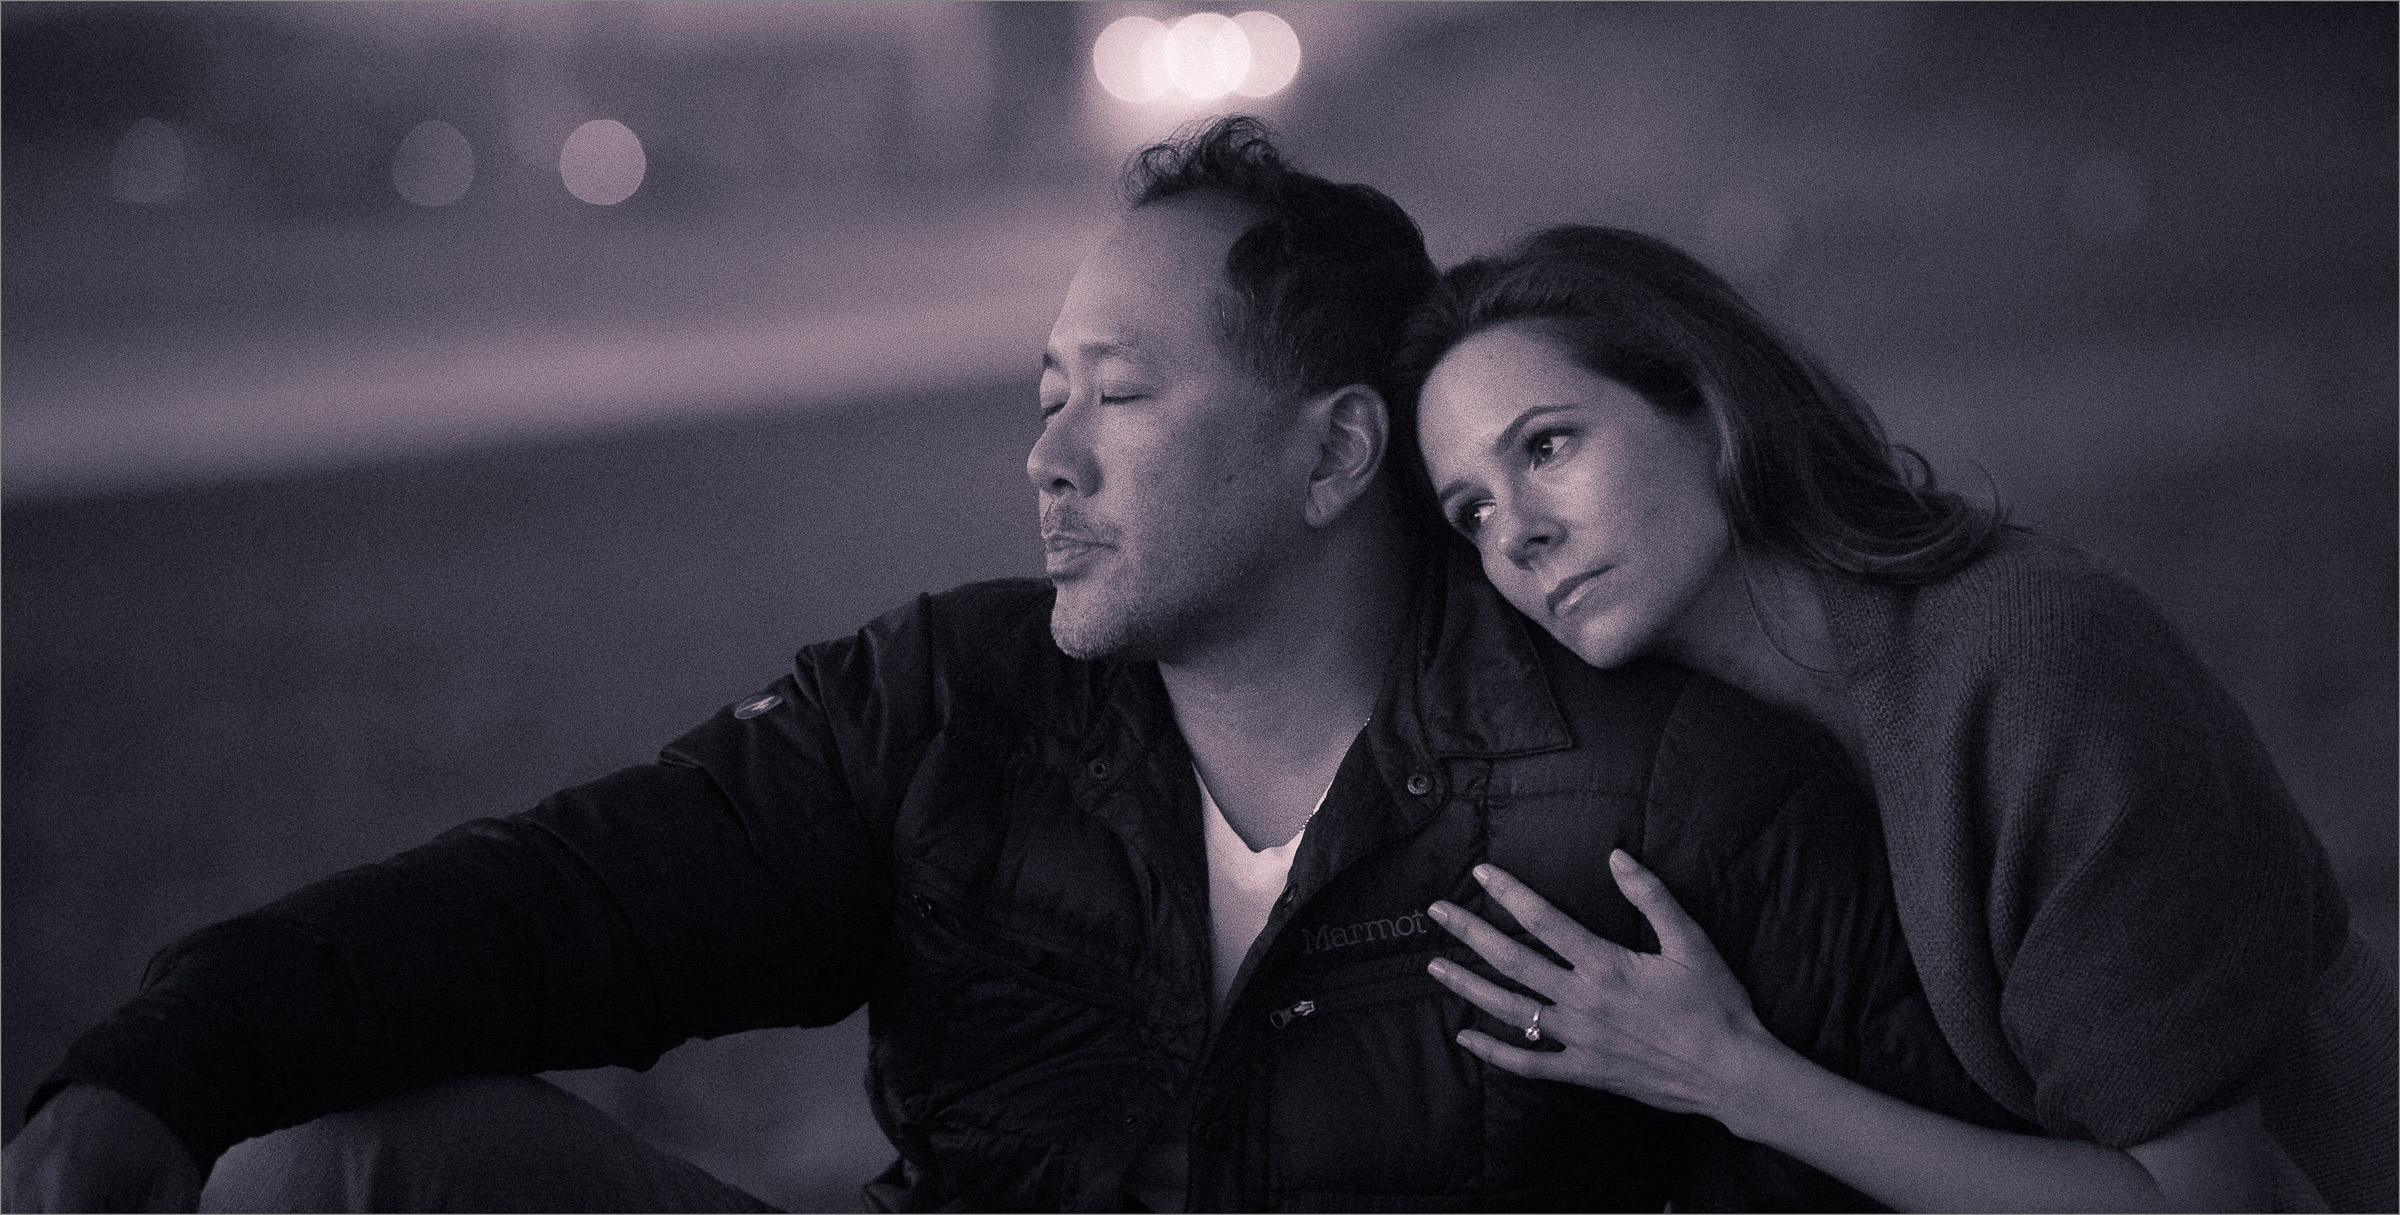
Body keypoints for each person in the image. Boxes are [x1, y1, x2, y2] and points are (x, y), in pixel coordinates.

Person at [10, 118, 1992, 1214]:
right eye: (1041, 393)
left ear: (1329, 455)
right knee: (322, 1170)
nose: (1046, 455)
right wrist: (163, 1053)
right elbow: (557, 905)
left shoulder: (1664, 788)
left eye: (1117, 395)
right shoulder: (947, 705)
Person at [1400, 223, 2397, 1213]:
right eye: (1472, 512)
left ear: (1707, 404)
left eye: (1547, 446)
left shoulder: (2032, 662)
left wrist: (1727, 1073)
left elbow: (2208, 1207)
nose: (1519, 535)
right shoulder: (1687, 757)